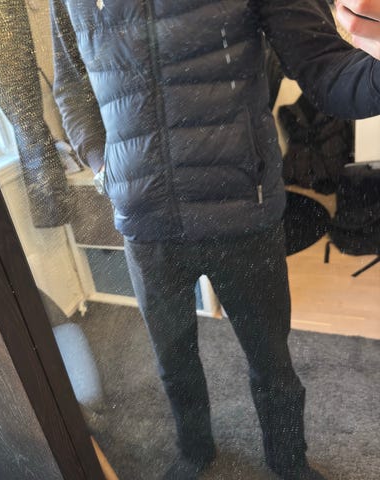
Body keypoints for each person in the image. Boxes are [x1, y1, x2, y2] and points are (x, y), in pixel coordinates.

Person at [49, 1, 380, 478]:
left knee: (272, 362)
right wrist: (104, 167)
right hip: (147, 224)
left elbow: (326, 72)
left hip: (243, 215)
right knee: (173, 363)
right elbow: (71, 86)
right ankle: (194, 452)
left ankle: (289, 462)